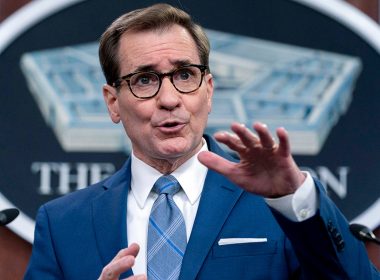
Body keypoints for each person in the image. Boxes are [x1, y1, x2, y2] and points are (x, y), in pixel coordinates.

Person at [24, 3, 379, 280]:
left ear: (208, 92)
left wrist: (295, 197)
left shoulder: (278, 207)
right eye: (145, 80)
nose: (169, 98)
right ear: (113, 102)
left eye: (184, 75)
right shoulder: (62, 224)